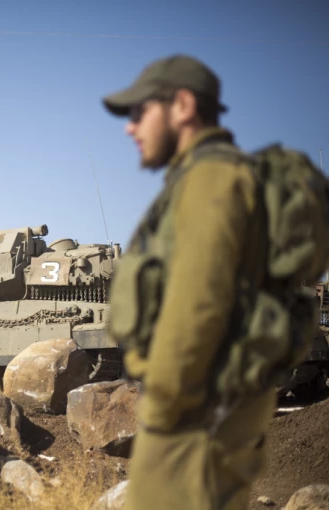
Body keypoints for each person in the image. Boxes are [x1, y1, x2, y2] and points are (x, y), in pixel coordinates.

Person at [102, 55, 278, 509]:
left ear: (182, 106)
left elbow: (202, 302)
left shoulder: (209, 181)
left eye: (141, 112)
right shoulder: (201, 179)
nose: (130, 127)